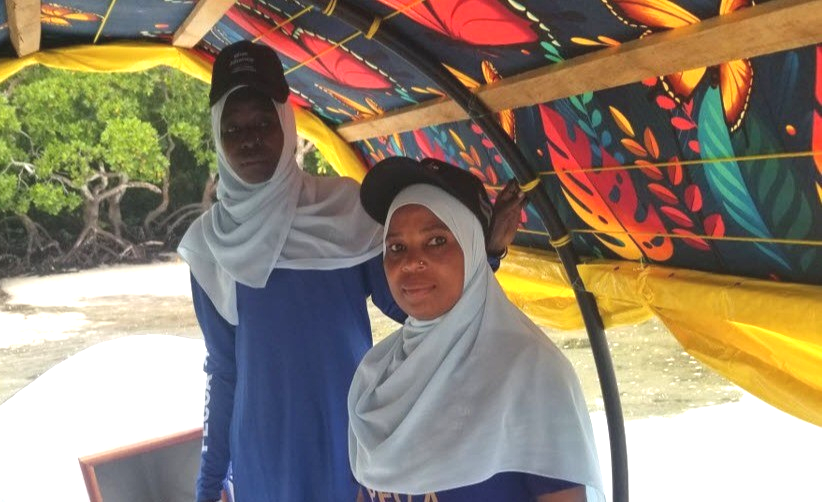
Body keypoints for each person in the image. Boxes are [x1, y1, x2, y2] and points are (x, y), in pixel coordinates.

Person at [178, 41, 523, 502]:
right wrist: (209, 483)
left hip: (355, 434)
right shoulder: (208, 244)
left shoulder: (343, 208)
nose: (249, 140)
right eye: (233, 128)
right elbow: (223, 371)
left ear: (285, 121)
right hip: (264, 449)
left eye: (262, 123)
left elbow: (421, 309)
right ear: (217, 137)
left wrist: (490, 254)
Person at [349, 157, 605, 502]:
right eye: (396, 247)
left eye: (436, 241)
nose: (410, 261)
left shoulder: (531, 374)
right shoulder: (374, 377)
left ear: (472, 249)